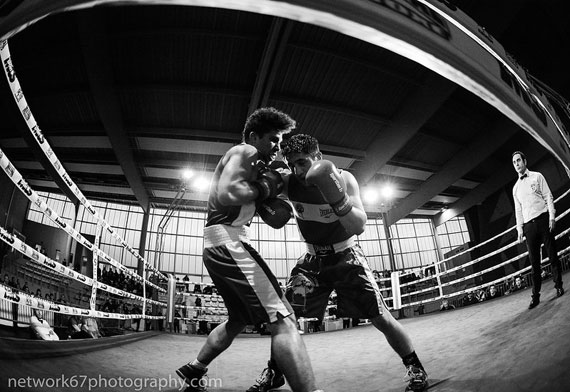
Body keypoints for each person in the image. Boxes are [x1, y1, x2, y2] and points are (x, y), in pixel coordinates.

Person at [247, 134, 427, 392]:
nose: (298, 170)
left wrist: (337, 200)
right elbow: (258, 189)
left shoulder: (343, 179)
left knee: (380, 317)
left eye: (302, 162)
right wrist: (263, 192)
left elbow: (359, 225)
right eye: (292, 164)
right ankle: (275, 371)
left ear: (318, 157)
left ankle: (415, 367)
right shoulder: (288, 182)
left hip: (347, 257)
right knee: (285, 318)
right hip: (311, 263)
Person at [175, 108, 323, 392]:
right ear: (254, 136)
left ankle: (194, 370)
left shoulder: (252, 164)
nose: (276, 148)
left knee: (238, 320)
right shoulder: (244, 151)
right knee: (284, 317)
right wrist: (267, 187)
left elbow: (248, 202)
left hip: (219, 245)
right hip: (229, 244)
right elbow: (229, 193)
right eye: (272, 139)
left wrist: (265, 188)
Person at [512, 151, 564, 309]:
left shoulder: (537, 176)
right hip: (528, 227)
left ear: (525, 161)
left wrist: (552, 217)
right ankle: (535, 296)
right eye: (514, 162)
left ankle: (558, 286)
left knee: (552, 255)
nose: (517, 164)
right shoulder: (515, 189)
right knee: (534, 264)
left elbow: (548, 196)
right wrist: (520, 229)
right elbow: (518, 211)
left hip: (543, 220)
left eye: (519, 160)